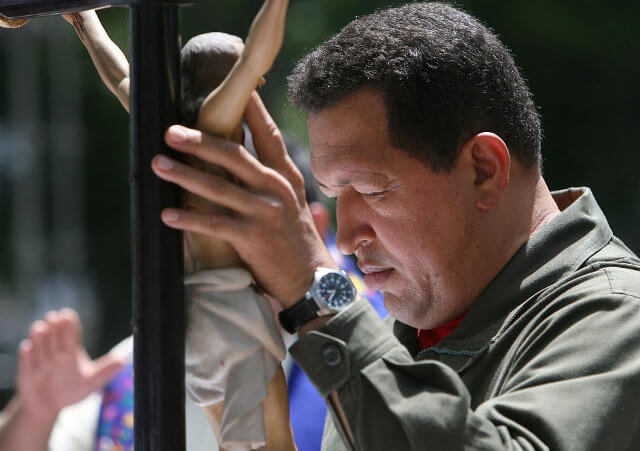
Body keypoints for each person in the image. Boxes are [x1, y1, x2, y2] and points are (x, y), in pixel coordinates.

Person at [152, 2, 640, 450]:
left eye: (369, 190)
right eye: (332, 195)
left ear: (483, 169)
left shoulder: (618, 317)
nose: (344, 239)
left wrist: (317, 290)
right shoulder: (396, 335)